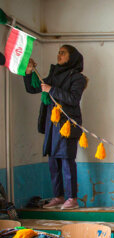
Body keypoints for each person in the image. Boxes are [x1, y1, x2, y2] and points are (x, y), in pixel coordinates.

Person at [23, 45, 87, 210]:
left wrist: (52, 90)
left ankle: (72, 198)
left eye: (63, 53)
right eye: (58, 52)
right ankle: (58, 196)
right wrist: (29, 71)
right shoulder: (54, 74)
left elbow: (73, 99)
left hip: (67, 125)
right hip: (52, 125)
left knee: (66, 161)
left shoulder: (78, 78)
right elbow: (32, 88)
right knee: (53, 162)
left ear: (71, 57)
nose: (59, 55)